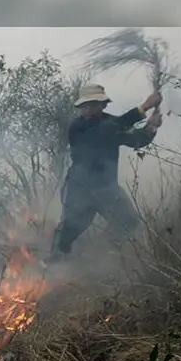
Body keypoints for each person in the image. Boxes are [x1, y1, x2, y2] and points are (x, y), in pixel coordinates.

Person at [46, 83, 164, 264]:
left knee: (129, 221)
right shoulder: (77, 127)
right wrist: (144, 107)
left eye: (95, 104)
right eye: (87, 105)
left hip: (106, 189)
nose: (90, 109)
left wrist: (150, 128)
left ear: (103, 105)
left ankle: (101, 252)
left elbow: (135, 140)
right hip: (80, 190)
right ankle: (51, 268)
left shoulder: (111, 123)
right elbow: (104, 132)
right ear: (81, 107)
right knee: (69, 231)